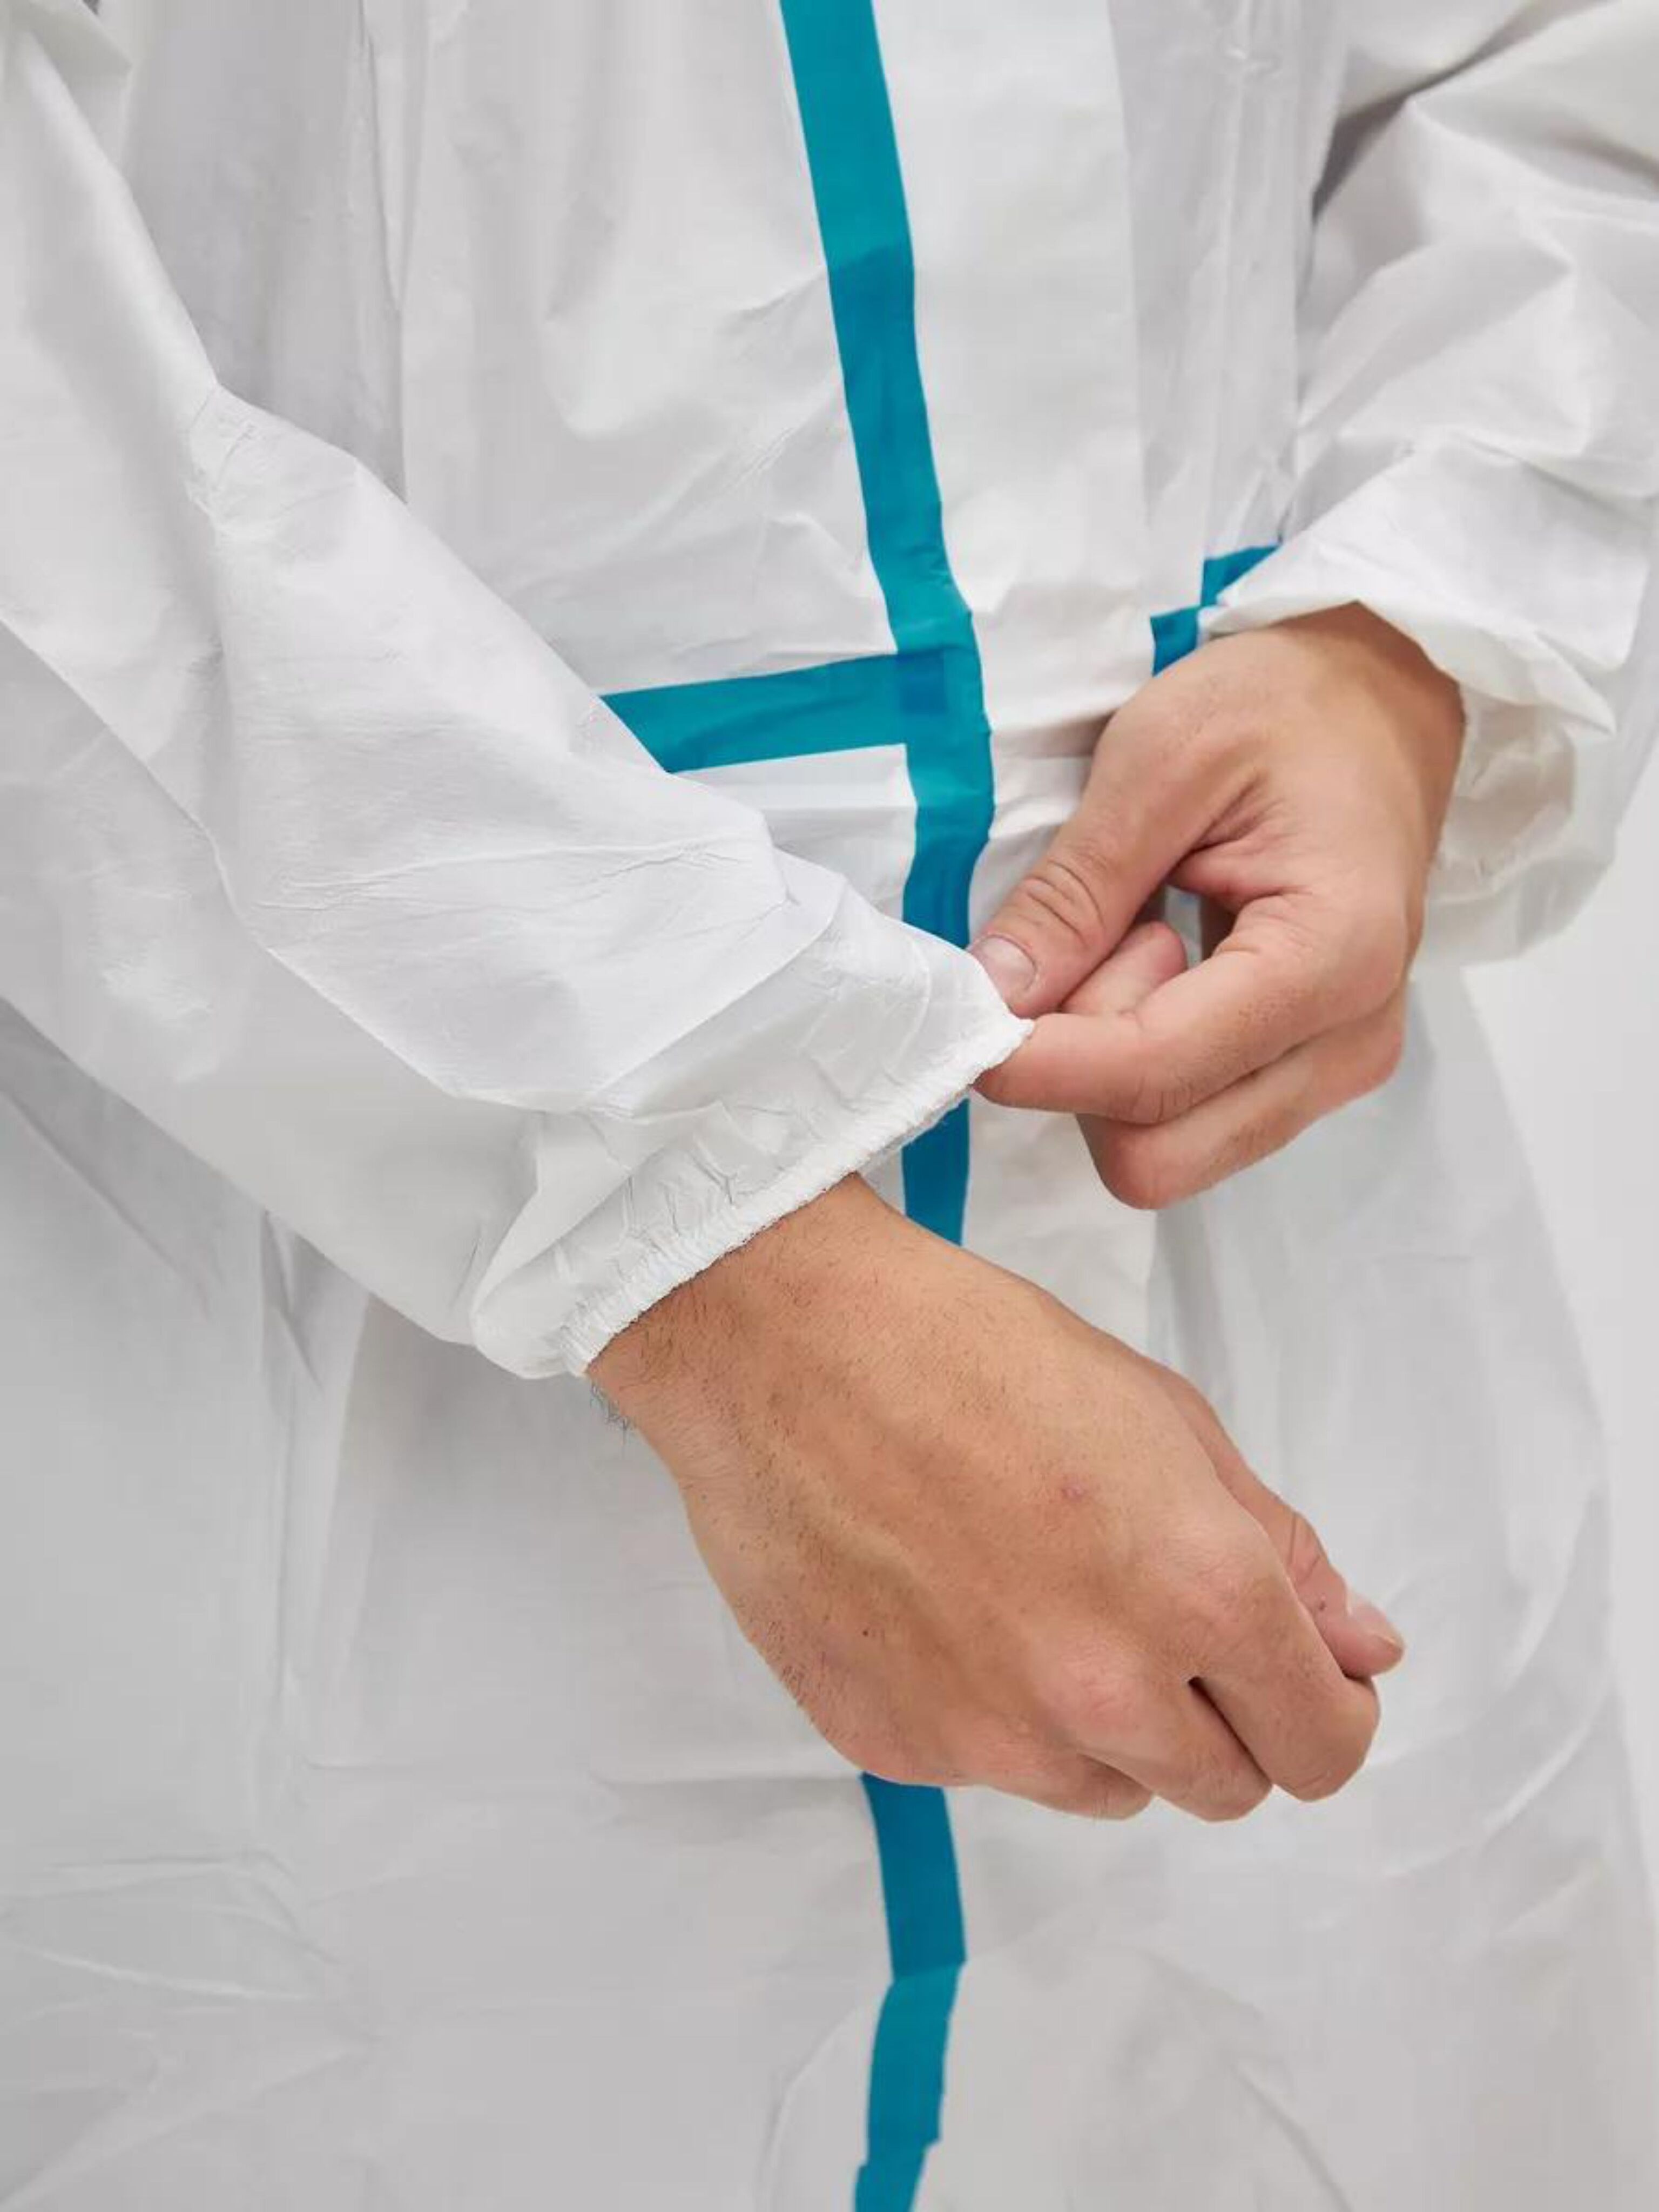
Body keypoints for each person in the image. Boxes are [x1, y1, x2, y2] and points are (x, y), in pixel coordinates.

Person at [2, 0, 1656, 2204]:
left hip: (1287, 1298)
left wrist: (1406, 632)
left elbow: (1555, 63)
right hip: (281, 1348)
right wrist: (715, 1238)